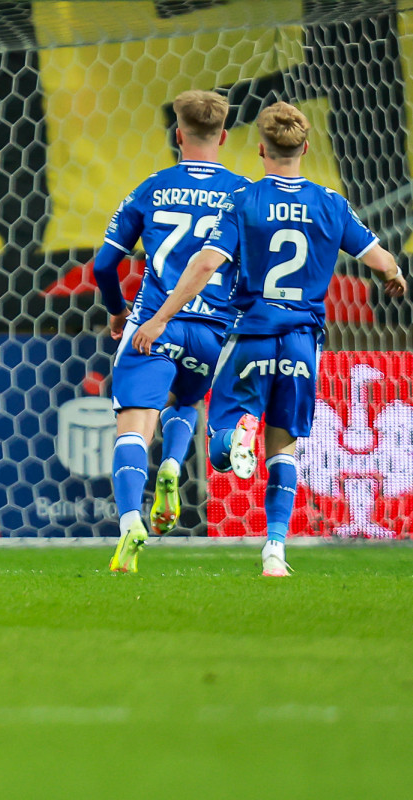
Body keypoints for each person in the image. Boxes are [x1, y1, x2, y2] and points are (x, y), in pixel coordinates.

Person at [132, 101, 407, 576]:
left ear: (261, 149)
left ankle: (238, 432)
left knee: (220, 444)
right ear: (306, 147)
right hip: (302, 341)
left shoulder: (244, 201)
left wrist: (160, 318)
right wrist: (394, 273)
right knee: (284, 448)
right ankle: (275, 550)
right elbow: (379, 259)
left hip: (252, 334)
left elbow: (206, 264)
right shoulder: (330, 203)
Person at [95, 90, 251, 573]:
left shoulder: (152, 187)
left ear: (178, 134)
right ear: (223, 137)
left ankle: (129, 524)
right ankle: (173, 463)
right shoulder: (245, 193)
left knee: (133, 427)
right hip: (211, 331)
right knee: (186, 401)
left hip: (153, 324)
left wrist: (118, 312)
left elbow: (103, 265)